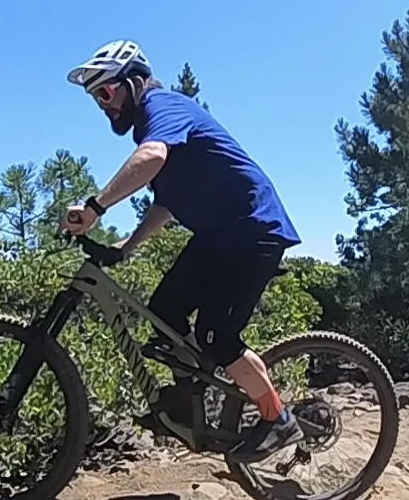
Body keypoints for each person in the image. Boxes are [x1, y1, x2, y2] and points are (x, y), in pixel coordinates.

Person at [59, 39, 304, 462]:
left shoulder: (163, 106)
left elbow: (152, 156)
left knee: (214, 335)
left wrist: (97, 207)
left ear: (133, 83)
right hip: (220, 234)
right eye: (95, 97)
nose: (103, 105)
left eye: (105, 92)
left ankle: (278, 420)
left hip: (252, 230)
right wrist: (127, 246)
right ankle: (187, 405)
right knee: (164, 311)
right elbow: (167, 203)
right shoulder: (151, 124)